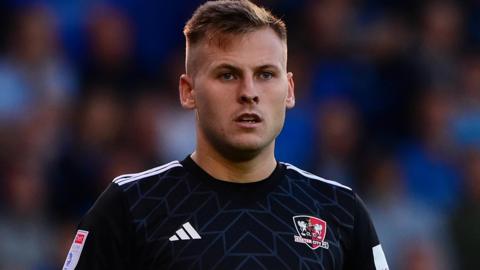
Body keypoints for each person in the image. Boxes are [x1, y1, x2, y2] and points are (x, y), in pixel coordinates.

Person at [63, 1, 389, 269]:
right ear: (188, 92)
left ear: (289, 90)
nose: (249, 92)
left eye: (265, 74)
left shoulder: (341, 211)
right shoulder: (131, 206)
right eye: (228, 74)